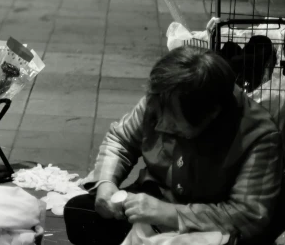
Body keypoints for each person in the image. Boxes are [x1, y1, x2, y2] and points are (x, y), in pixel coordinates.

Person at [63, 45, 284, 245]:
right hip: (156, 198)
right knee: (79, 214)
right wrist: (106, 183)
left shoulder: (259, 136)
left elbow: (247, 216)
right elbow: (120, 140)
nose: (159, 125)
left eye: (175, 127)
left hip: (210, 224)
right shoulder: (162, 99)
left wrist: (170, 213)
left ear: (210, 116)